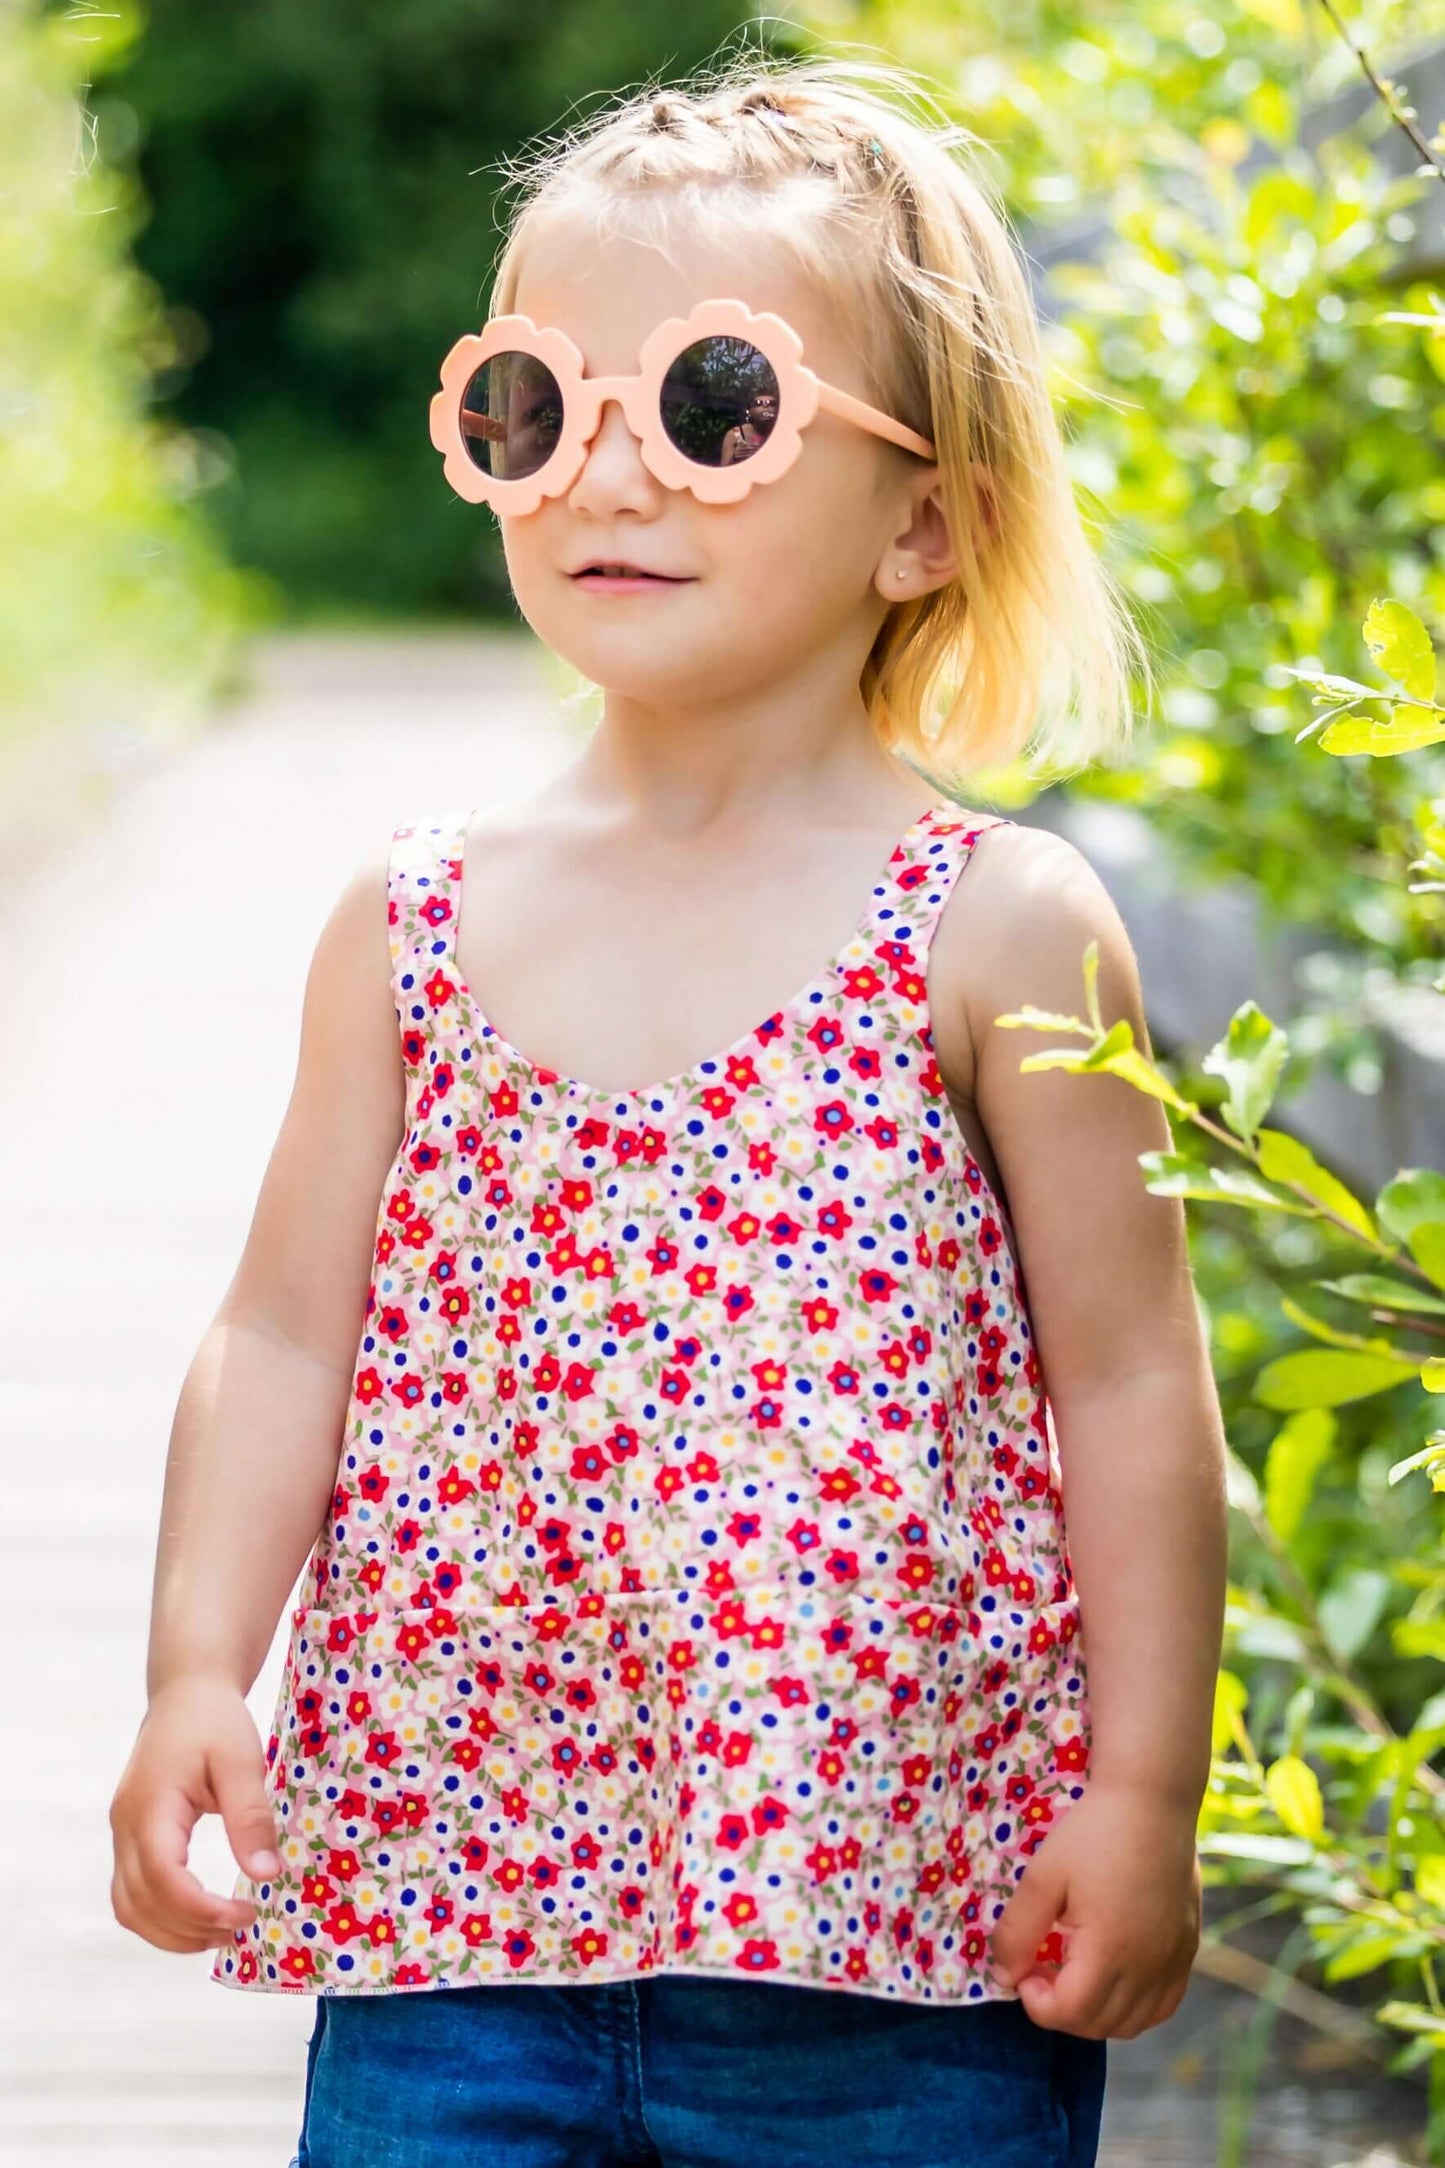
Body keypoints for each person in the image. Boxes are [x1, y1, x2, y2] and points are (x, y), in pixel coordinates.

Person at [108, 47, 1227, 2168]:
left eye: (716, 408)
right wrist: (193, 1670)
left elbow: (1130, 1381)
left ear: (927, 516)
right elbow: (279, 1334)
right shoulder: (411, 923)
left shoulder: (993, 928)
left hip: (894, 1940)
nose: (608, 477)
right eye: (537, 408)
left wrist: (1143, 1790)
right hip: (451, 1918)